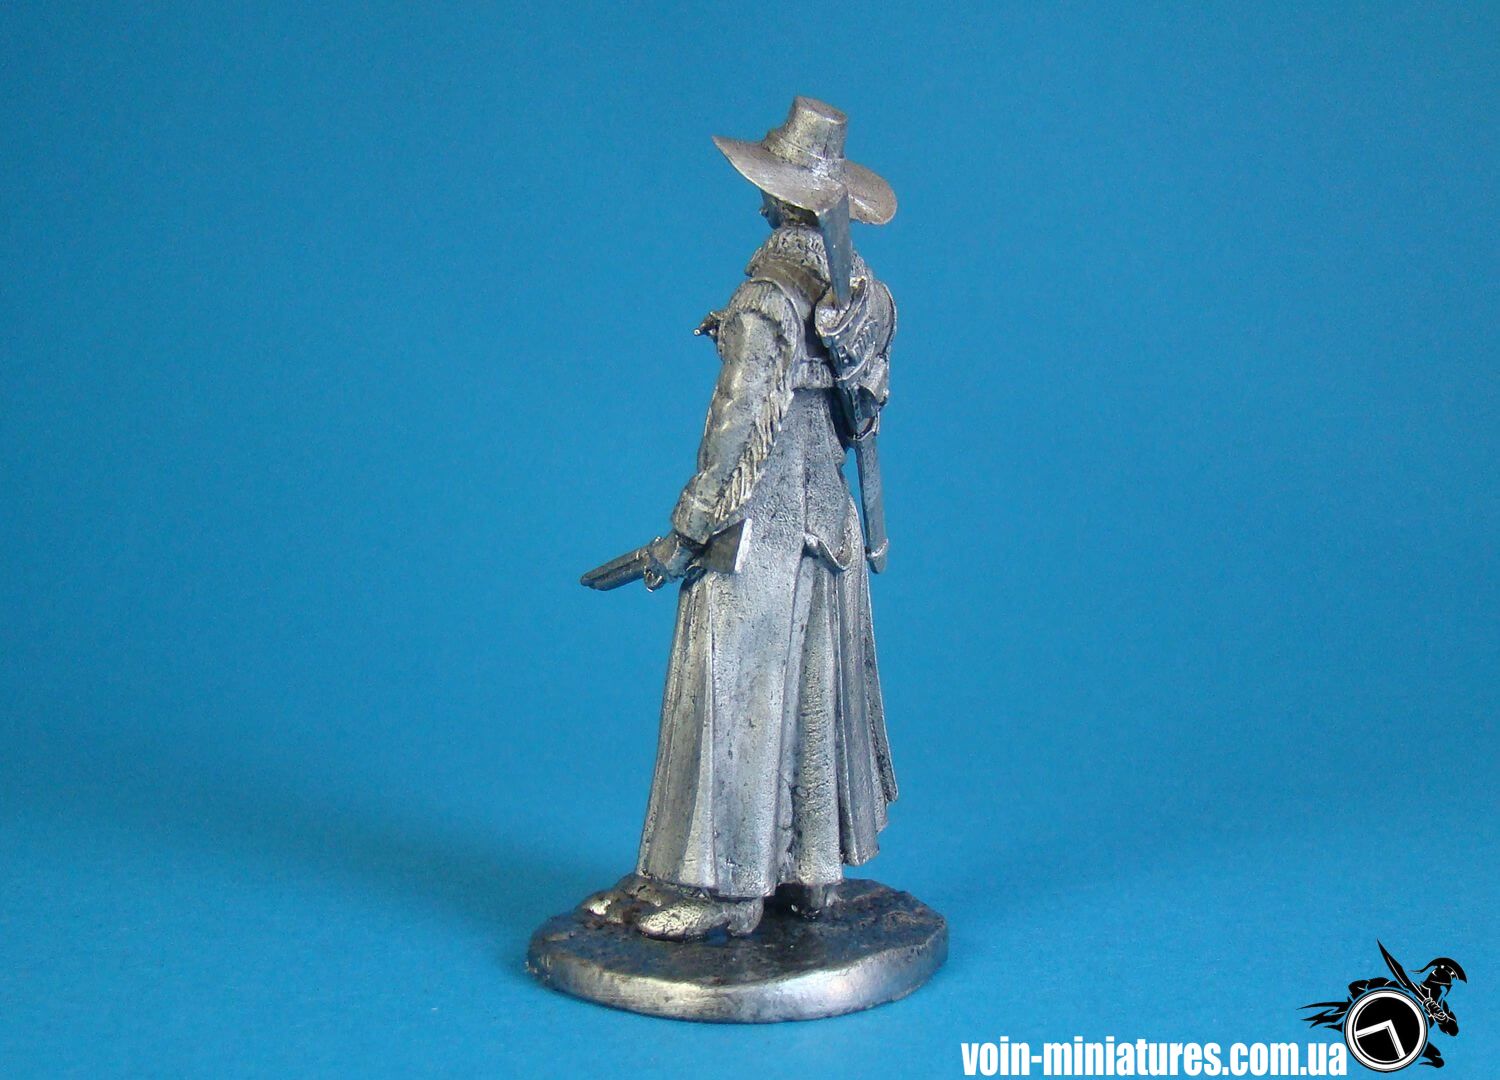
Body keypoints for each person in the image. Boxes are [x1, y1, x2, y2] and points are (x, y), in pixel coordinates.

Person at [582, 97, 900, 940]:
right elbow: (861, 417)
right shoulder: (868, 300)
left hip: (755, 530)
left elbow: (736, 429)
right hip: (827, 524)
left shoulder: (767, 299)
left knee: (730, 691)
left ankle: (723, 890)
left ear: (780, 195)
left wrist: (687, 530)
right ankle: (809, 873)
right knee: (807, 689)